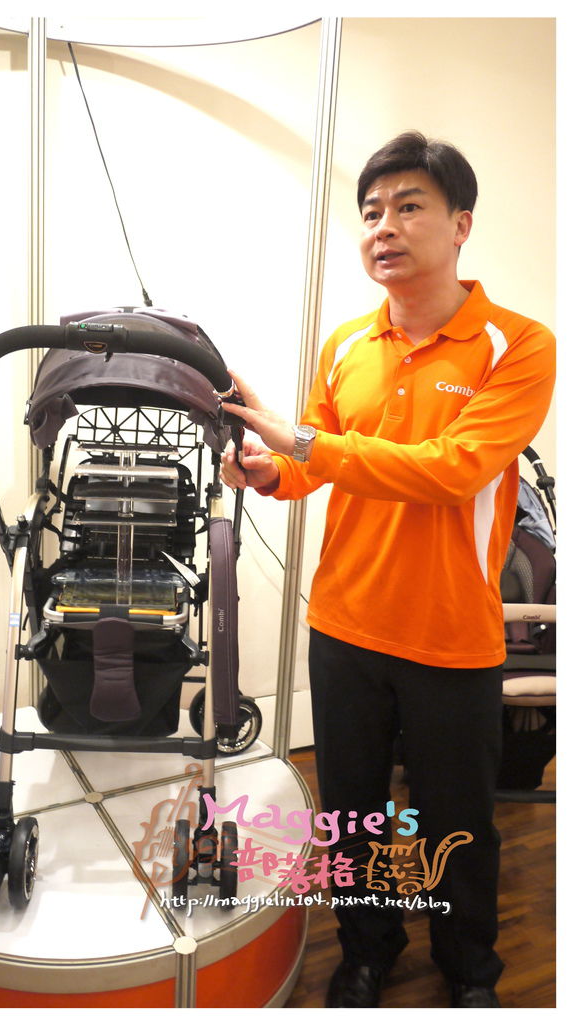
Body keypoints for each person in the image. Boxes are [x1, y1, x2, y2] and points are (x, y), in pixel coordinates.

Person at [219, 131, 555, 1009]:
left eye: (409, 206)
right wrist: (268, 468)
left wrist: (303, 443)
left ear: (461, 224)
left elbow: (453, 470)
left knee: (457, 823)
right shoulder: (345, 344)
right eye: (371, 212)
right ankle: (367, 950)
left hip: (452, 637)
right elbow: (309, 466)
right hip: (344, 626)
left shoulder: (517, 345)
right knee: (353, 813)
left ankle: (469, 969)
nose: (384, 227)